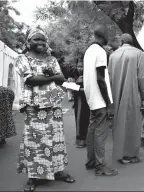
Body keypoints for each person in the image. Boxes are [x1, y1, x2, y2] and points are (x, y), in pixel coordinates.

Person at [15, 26, 75, 192]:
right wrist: (52, 77)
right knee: (34, 141)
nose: (40, 42)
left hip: (54, 106)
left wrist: (51, 77)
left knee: (56, 139)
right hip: (34, 107)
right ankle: (33, 177)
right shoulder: (23, 59)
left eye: (42, 39)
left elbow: (61, 78)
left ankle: (58, 171)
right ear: (29, 42)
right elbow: (31, 80)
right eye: (36, 39)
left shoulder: (51, 59)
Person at [108, 33, 144, 164]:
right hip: (132, 93)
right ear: (132, 42)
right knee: (132, 123)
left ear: (121, 42)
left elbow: (109, 78)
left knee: (118, 122)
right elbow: (141, 77)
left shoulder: (113, 55)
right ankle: (130, 155)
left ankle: (120, 153)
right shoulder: (138, 54)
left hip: (116, 94)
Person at [83, 24, 118, 176]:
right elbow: (101, 79)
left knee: (92, 130)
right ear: (104, 37)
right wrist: (109, 103)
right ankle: (100, 166)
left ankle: (91, 161)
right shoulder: (100, 52)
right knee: (100, 133)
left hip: (91, 98)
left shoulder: (88, 51)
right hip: (100, 99)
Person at [73, 57, 90, 148]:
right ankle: (81, 140)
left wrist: (80, 87)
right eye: (78, 66)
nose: (80, 68)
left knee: (85, 119)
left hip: (86, 101)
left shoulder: (88, 75)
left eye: (82, 66)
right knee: (79, 120)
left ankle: (85, 140)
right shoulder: (75, 74)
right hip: (79, 101)